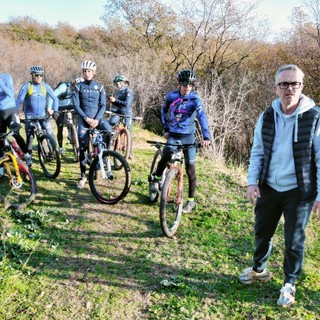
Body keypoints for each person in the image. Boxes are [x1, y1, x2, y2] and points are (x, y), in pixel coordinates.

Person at [239, 64, 320, 307]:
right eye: (284, 84)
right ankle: (259, 269)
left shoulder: (314, 117)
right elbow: (258, 152)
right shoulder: (266, 116)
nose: (289, 88)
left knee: (294, 239)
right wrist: (252, 182)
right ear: (276, 88)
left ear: (302, 86)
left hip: (299, 190)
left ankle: (289, 283)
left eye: (294, 83)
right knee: (262, 231)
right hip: (269, 187)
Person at [149, 69, 211, 213]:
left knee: (191, 170)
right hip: (173, 134)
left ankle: (190, 201)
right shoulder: (172, 96)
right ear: (179, 83)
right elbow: (164, 111)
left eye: (190, 84)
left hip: (188, 136)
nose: (187, 86)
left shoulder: (195, 99)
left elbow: (202, 117)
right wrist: (165, 128)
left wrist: (206, 137)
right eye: (185, 83)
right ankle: (157, 177)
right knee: (165, 156)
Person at [73, 60, 112, 189]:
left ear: (93, 73)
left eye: (89, 71)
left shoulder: (99, 87)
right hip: (84, 120)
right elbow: (76, 105)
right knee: (83, 147)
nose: (86, 73)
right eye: (84, 71)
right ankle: (83, 176)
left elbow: (103, 105)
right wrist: (86, 118)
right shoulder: (79, 86)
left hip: (97, 118)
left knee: (108, 130)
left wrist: (96, 119)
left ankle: (105, 155)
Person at [16, 66, 59, 163]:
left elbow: (55, 98)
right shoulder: (27, 86)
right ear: (32, 75)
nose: (39, 77)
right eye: (36, 75)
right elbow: (19, 100)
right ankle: (28, 158)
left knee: (49, 132)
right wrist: (15, 113)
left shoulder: (45, 86)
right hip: (30, 117)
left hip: (43, 116)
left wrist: (55, 111)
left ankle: (55, 152)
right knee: (30, 138)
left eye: (41, 75)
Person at [0, 73, 31, 165]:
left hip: (10, 110)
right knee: (0, 138)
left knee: (15, 133)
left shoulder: (6, 77)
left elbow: (10, 93)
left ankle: (27, 155)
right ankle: (1, 166)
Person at [48, 78, 83, 154]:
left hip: (69, 106)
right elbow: (52, 96)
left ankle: (72, 133)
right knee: (60, 127)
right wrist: (50, 108)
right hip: (58, 107)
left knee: (76, 123)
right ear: (74, 84)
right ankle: (60, 147)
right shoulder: (64, 87)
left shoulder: (79, 89)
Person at [107, 74, 134, 158]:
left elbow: (126, 104)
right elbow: (118, 104)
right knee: (110, 124)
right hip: (118, 112)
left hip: (126, 113)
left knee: (128, 132)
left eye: (117, 84)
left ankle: (129, 152)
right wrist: (112, 101)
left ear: (122, 83)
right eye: (116, 84)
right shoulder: (120, 91)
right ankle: (109, 142)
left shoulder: (128, 91)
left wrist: (116, 100)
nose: (116, 86)